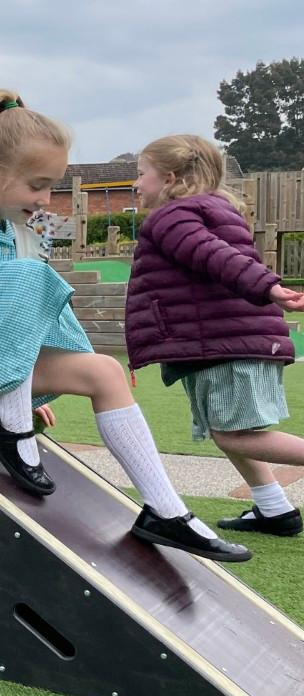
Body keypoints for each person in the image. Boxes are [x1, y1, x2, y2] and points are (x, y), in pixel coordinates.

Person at [0, 90, 250, 563]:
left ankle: (166, 512)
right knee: (26, 276)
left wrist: (35, 375)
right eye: (38, 185)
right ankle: (7, 421)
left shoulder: (10, 228)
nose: (46, 200)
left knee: (105, 374)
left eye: (52, 185)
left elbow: (29, 309)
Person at [129, 134, 304, 538]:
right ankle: (274, 509)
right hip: (227, 339)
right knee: (232, 429)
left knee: (235, 434)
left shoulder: (172, 217)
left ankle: (274, 506)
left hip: (224, 342)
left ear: (169, 178)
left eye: (141, 175)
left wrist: (271, 288)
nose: (136, 184)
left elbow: (217, 257)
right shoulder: (214, 210)